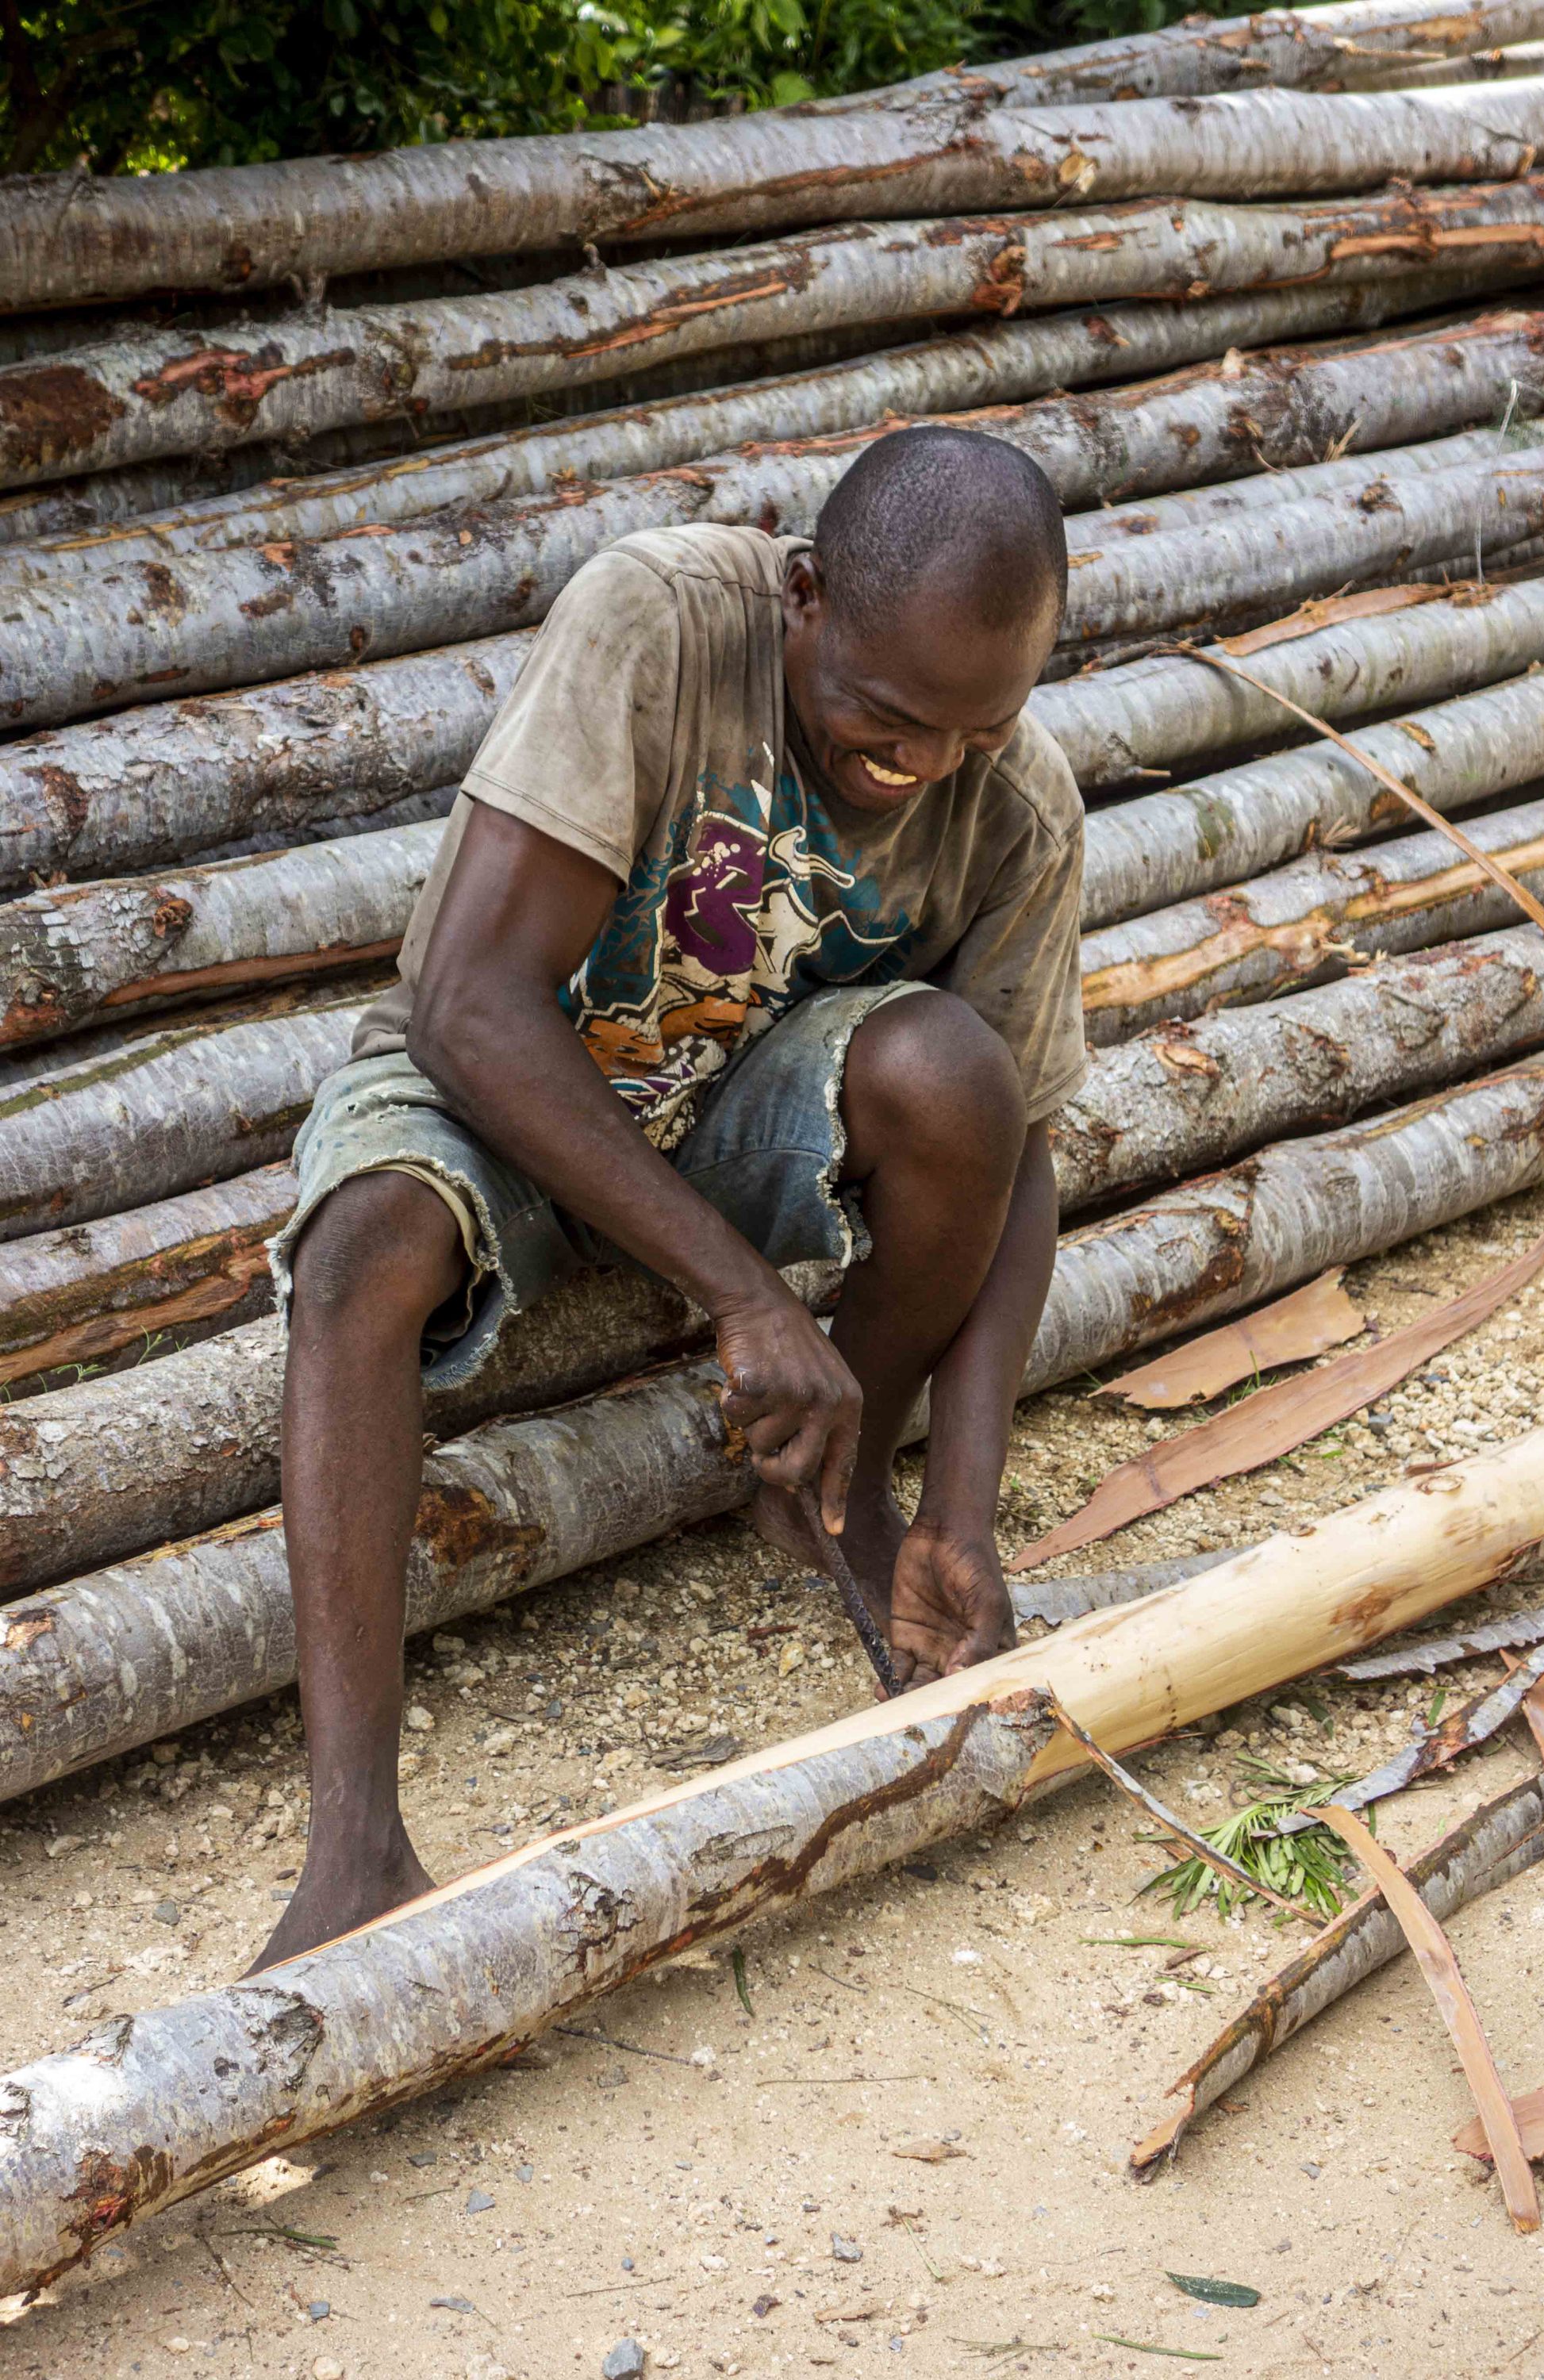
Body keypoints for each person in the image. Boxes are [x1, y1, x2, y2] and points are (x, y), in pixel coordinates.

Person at [256, 422, 1083, 1969]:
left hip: (727, 1105)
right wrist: (744, 1295)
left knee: (956, 1073)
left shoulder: (1010, 795)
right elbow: (465, 1007)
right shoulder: (661, 623)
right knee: (364, 1247)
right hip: (510, 1086)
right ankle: (356, 1850)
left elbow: (1019, 1149)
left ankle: (835, 1496)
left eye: (973, 733)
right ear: (805, 595)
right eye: (887, 720)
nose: (923, 767)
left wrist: (965, 1510)